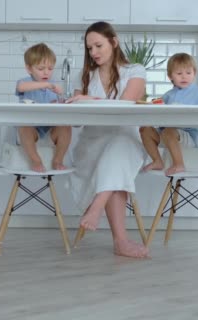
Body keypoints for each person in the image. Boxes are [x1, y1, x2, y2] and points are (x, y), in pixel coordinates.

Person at [65, 21, 149, 258]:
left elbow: (125, 106)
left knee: (120, 146)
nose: (94, 52)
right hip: (91, 143)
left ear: (114, 42)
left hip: (125, 138)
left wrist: (89, 101)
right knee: (115, 160)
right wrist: (75, 103)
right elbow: (76, 121)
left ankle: (97, 207)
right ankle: (120, 242)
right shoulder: (85, 77)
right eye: (89, 48)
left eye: (98, 45)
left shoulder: (135, 71)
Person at [140, 53, 198, 176]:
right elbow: (158, 113)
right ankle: (157, 161)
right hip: (166, 135)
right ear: (170, 76)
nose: (184, 77)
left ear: (194, 74)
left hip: (187, 137)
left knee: (168, 131)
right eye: (179, 73)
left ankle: (179, 164)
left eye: (188, 73)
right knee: (145, 129)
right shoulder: (168, 95)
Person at [15, 43, 72, 172]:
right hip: (32, 129)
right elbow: (21, 88)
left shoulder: (53, 87)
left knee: (66, 126)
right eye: (41, 69)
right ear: (29, 69)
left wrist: (60, 102)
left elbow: (60, 105)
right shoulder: (25, 82)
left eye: (50, 68)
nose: (46, 72)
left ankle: (58, 160)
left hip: (50, 129)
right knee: (24, 127)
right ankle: (36, 160)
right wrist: (45, 84)